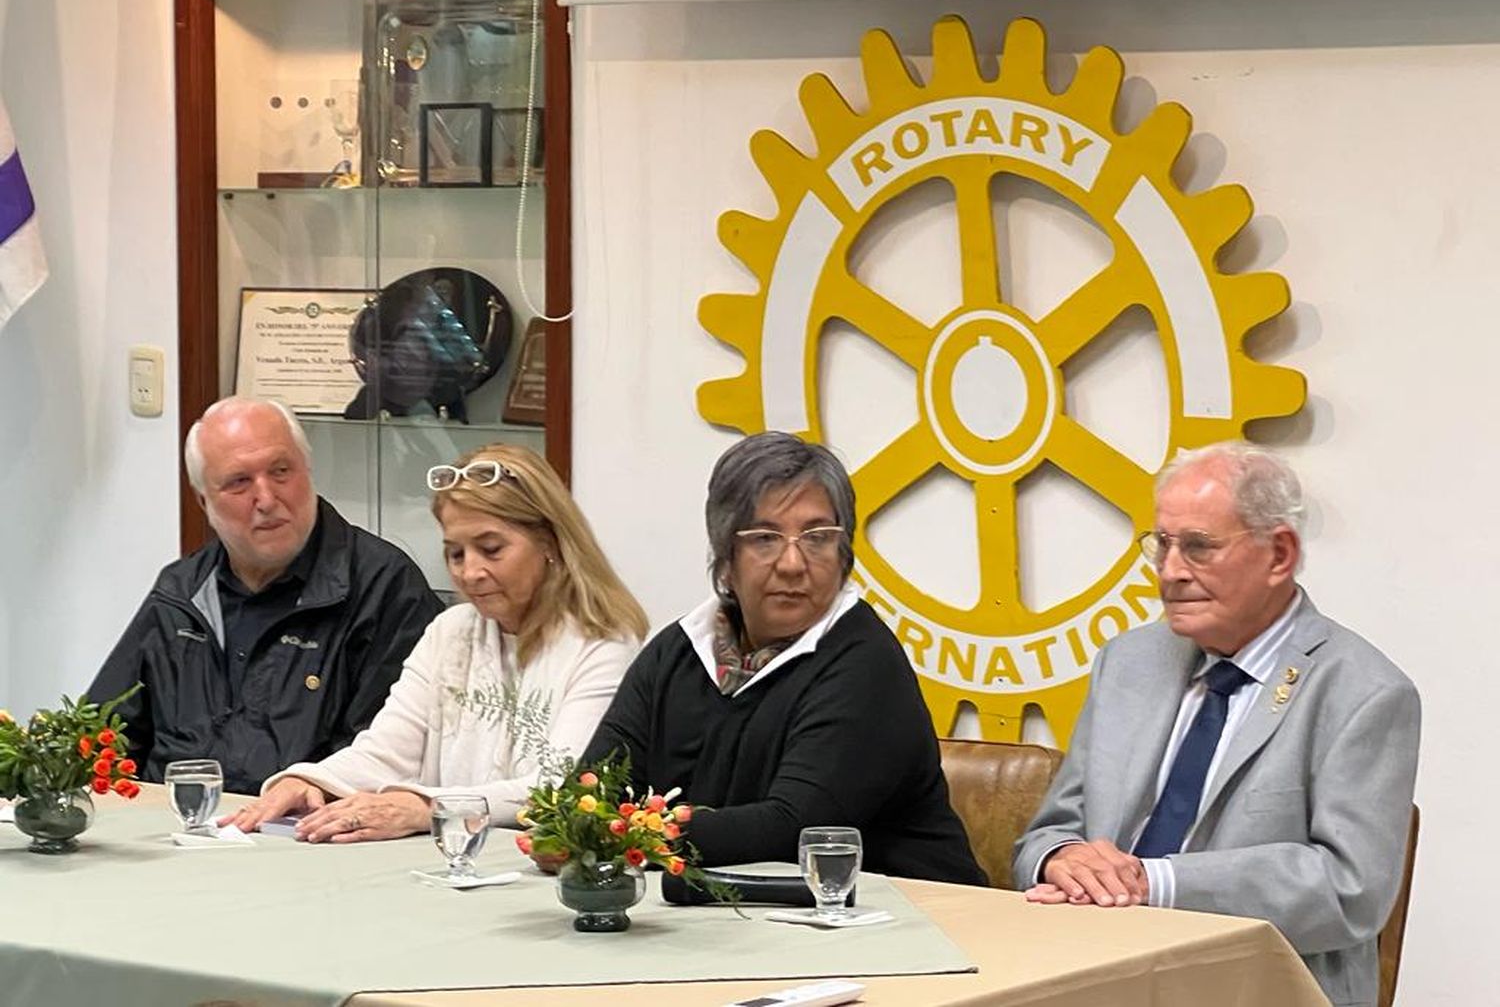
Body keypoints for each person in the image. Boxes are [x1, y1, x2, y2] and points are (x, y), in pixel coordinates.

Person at [1013, 442, 1419, 1007]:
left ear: (1279, 554)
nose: (1171, 572)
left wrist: (1155, 883)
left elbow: (1348, 889)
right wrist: (1061, 860)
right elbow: (1049, 832)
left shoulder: (1364, 692)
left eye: (1199, 547)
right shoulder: (1128, 661)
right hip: (1095, 972)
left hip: (1255, 988)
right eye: (1162, 545)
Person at [581, 431, 986, 885]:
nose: (793, 563)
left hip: (914, 924)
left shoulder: (865, 663)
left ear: (844, 553)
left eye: (817, 538)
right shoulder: (679, 649)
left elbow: (790, 830)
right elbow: (591, 792)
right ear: (726, 560)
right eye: (765, 538)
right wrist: (591, 827)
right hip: (732, 924)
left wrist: (623, 833)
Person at [224, 442, 648, 843]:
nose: (470, 572)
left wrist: (428, 807)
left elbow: (561, 785)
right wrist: (307, 779)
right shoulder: (450, 631)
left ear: (550, 544)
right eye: (456, 554)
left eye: (491, 549)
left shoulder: (603, 645)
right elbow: (389, 748)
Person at [87, 397, 443, 795]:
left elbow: (383, 762)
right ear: (204, 500)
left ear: (307, 471)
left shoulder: (384, 588)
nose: (268, 499)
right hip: (172, 828)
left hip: (304, 833)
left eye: (281, 471)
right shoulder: (182, 591)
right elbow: (101, 737)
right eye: (239, 482)